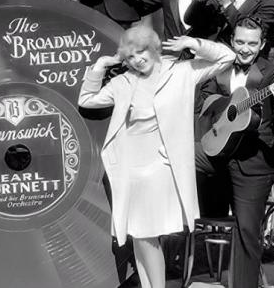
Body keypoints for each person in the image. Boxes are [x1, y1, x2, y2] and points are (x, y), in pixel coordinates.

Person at [78, 26, 234, 288]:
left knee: (146, 234)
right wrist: (100, 65)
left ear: (153, 48)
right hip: (130, 171)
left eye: (141, 52)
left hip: (159, 168)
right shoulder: (122, 83)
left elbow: (226, 57)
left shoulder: (182, 72)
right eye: (130, 56)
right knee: (138, 236)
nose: (138, 60)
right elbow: (87, 100)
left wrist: (193, 42)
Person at [195, 17, 274, 288]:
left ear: (261, 45)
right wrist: (224, 107)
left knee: (247, 231)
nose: (245, 48)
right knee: (175, 156)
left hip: (254, 160)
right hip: (218, 152)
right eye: (240, 42)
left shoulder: (273, 72)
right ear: (232, 41)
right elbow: (204, 100)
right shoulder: (220, 67)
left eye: (252, 43)